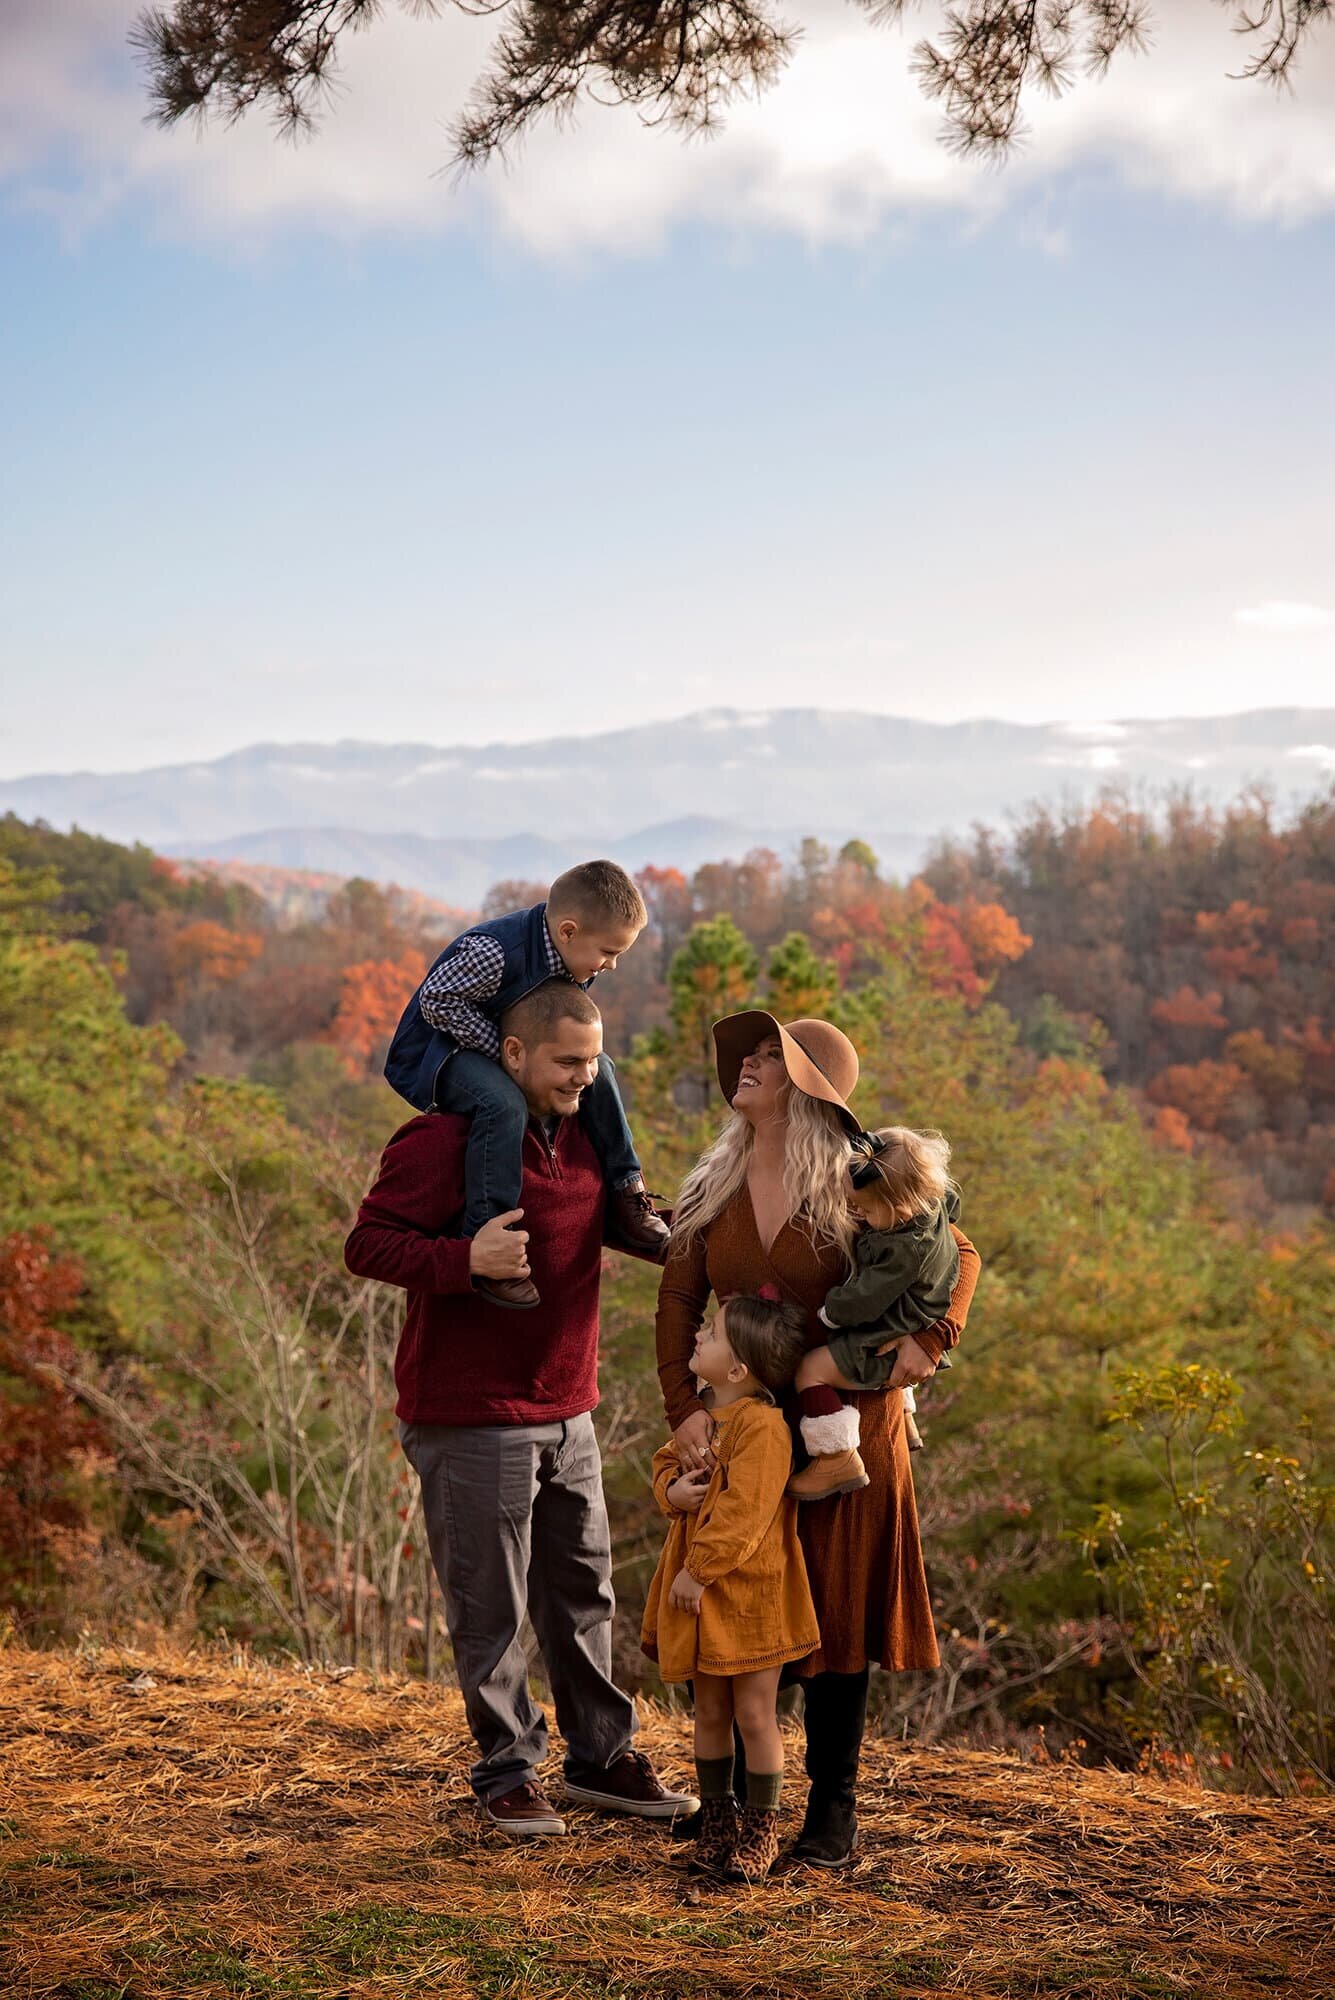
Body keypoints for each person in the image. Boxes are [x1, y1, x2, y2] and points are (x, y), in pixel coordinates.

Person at [347, 979, 696, 1837]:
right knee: (491, 1608)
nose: (584, 1076)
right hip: (468, 1411)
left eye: (593, 1060)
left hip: (567, 1403)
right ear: (510, 1055)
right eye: (566, 1061)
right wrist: (466, 1257)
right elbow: (367, 1244)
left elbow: (612, 1224)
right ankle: (507, 1770)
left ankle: (599, 1758)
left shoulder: (588, 1137)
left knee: (582, 1594)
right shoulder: (444, 1140)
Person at [655, 1011, 981, 1869]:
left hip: (849, 1440)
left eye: (774, 1058)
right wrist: (682, 1408)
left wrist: (933, 1339)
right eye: (751, 1053)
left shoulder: (853, 1181)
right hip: (745, 1434)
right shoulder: (711, 1185)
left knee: (833, 1618)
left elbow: (958, 1251)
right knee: (735, 1606)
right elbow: (677, 1302)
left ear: (810, 1095)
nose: (751, 1065)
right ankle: (730, 1807)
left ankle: (830, 1816)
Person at [383, 860, 669, 1308]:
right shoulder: (496, 951)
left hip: (511, 1046)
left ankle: (625, 1191)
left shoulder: (571, 956)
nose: (611, 965)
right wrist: (504, 1054)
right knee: (503, 1105)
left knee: (601, 1070)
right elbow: (437, 1001)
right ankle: (491, 1232)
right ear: (569, 931)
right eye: (609, 952)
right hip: (441, 1053)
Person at [641, 1291, 819, 1883]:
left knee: (754, 1711)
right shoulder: (705, 1418)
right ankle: (717, 1823)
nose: (699, 1337)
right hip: (698, 1592)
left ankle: (761, 1830)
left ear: (739, 1368)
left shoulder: (763, 1427)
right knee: (709, 1711)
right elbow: (665, 1461)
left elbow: (747, 1512)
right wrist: (673, 1491)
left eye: (711, 1334)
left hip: (749, 1592)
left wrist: (700, 1568)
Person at [788, 1125, 962, 1502]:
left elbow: (865, 1299)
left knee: (810, 1370)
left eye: (865, 1209)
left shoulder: (903, 1251)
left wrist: (829, 1314)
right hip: (913, 1317)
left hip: (883, 1339)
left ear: (901, 1207)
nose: (857, 1214)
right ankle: (907, 1413)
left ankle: (836, 1457)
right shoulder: (933, 1203)